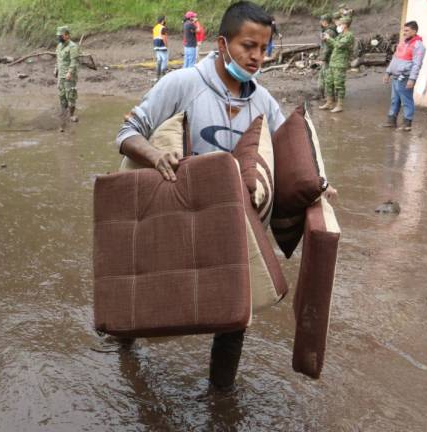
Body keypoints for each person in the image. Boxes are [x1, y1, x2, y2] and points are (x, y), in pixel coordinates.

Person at [116, 1, 286, 391]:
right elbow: (126, 134)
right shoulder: (181, 84)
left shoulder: (263, 102)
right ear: (223, 44)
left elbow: (287, 157)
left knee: (235, 316)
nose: (258, 57)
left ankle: (220, 397)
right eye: (249, 46)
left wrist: (317, 188)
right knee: (146, 290)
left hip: (235, 229)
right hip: (179, 218)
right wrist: (157, 155)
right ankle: (123, 347)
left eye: (264, 48)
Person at [381, 21, 425, 132]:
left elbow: (417, 64)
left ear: (414, 31)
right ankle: (391, 121)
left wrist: (412, 79)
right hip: (396, 76)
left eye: (407, 30)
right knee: (394, 99)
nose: (404, 32)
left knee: (406, 100)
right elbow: (395, 59)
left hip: (405, 77)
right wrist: (388, 73)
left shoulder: (418, 46)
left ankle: (407, 123)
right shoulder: (402, 43)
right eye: (403, 30)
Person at [320, 15, 354, 113]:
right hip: (333, 63)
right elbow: (334, 45)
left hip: (340, 64)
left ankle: (340, 105)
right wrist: (326, 39)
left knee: (339, 85)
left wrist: (329, 38)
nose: (338, 26)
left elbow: (339, 45)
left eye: (340, 24)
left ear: (345, 25)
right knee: (328, 82)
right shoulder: (340, 35)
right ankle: (329, 102)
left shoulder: (349, 36)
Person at [55, 26, 80, 130]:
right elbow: (58, 59)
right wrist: (55, 69)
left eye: (61, 35)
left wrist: (70, 72)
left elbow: (74, 61)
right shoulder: (59, 46)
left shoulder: (73, 47)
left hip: (69, 75)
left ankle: (71, 115)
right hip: (61, 74)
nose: (59, 37)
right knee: (61, 94)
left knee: (70, 94)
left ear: (66, 35)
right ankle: (64, 113)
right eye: (58, 35)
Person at [318, 14, 337, 98]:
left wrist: (323, 58)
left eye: (321, 21)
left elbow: (327, 47)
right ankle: (326, 95)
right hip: (331, 57)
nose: (320, 22)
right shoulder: (331, 30)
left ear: (325, 22)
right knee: (327, 76)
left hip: (329, 58)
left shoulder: (328, 32)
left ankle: (327, 96)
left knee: (325, 77)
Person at [152, 16, 169, 80]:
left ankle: (158, 76)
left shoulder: (155, 27)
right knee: (164, 60)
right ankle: (163, 75)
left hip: (156, 46)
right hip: (162, 45)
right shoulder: (163, 28)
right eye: (165, 20)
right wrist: (166, 45)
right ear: (162, 20)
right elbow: (164, 37)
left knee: (159, 60)